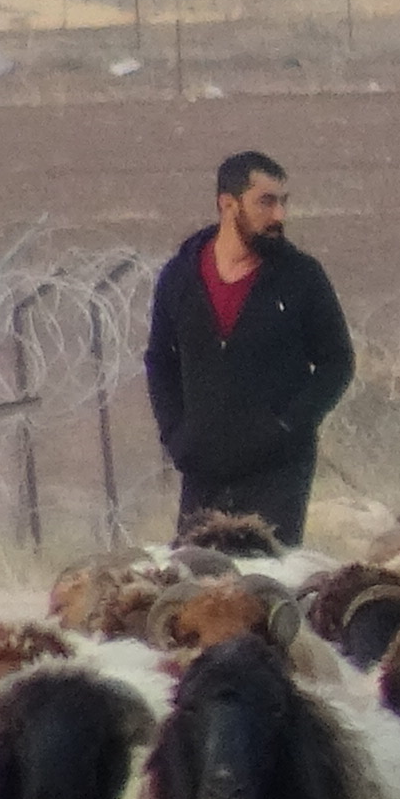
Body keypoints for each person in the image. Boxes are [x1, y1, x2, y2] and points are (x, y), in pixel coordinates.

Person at [144, 151, 355, 545]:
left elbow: (337, 363)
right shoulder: (179, 278)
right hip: (203, 470)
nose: (279, 216)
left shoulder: (301, 277)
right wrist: (176, 434)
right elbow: (160, 361)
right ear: (228, 205)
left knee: (265, 587)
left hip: (277, 472)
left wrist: (288, 425)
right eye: (266, 201)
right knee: (198, 587)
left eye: (283, 202)